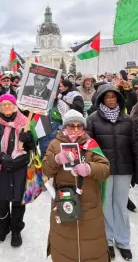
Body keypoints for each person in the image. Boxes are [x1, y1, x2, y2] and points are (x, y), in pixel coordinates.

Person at [87, 85, 138, 261]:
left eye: (114, 97)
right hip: (103, 170)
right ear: (101, 100)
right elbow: (88, 148)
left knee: (120, 206)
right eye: (107, 97)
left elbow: (135, 146)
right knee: (105, 206)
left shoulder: (127, 120)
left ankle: (123, 242)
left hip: (123, 169)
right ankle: (107, 241)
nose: (111, 100)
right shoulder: (92, 119)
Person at [43, 109, 110, 261]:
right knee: (64, 243)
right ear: (65, 127)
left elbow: (105, 170)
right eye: (71, 126)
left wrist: (90, 168)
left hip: (89, 203)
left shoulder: (90, 144)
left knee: (91, 245)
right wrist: (56, 159)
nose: (75, 129)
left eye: (79, 126)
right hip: (64, 201)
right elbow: (46, 170)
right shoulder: (55, 144)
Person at [0, 94, 34, 247]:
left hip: (20, 168)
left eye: (9, 104)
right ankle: (4, 226)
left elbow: (33, 148)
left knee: (19, 202)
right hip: (2, 169)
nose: (6, 107)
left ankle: (16, 230)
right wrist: (1, 157)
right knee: (2, 201)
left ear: (15, 106)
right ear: (0, 108)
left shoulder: (26, 123)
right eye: (3, 105)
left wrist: (28, 139)